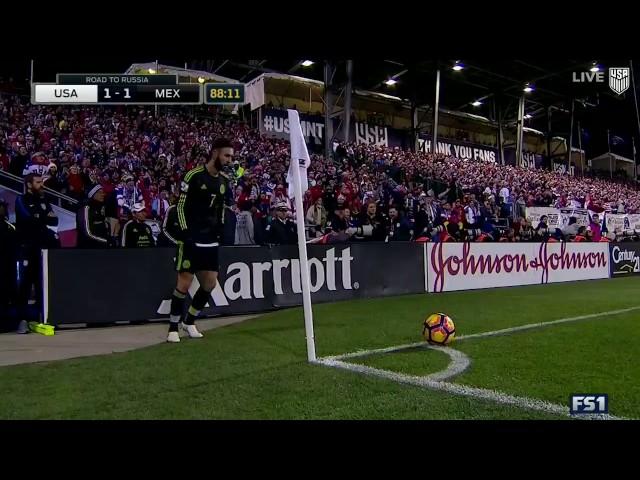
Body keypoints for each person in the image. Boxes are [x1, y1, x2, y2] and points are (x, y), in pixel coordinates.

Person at [167, 138, 234, 343]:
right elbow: (179, 206)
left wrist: (220, 229)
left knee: (210, 284)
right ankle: (172, 328)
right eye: (227, 156)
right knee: (184, 284)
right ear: (215, 153)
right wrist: (185, 233)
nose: (230, 160)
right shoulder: (194, 176)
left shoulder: (224, 181)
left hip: (210, 239)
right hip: (191, 238)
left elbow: (221, 209)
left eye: (231, 156)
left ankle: (190, 321)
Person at [14, 174, 59, 333]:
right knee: (24, 287)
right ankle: (21, 321)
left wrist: (40, 218)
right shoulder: (21, 200)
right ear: (29, 184)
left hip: (42, 250)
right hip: (26, 249)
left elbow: (55, 220)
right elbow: (28, 219)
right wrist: (42, 218)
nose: (42, 185)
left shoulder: (45, 200)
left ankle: (44, 318)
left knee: (43, 285)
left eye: (42, 182)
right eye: (38, 182)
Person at [0, 198, 18, 332]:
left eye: (3, 206)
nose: (2, 209)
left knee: (7, 294)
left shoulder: (9, 226)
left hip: (8, 265)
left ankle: (6, 322)